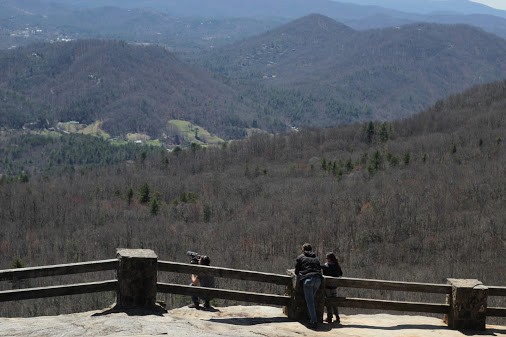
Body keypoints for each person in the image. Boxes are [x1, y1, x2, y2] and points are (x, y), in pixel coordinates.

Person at [295, 243, 323, 330]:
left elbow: (296, 271)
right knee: (312, 300)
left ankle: (313, 321)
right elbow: (319, 269)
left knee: (310, 301)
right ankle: (310, 317)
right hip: (318, 280)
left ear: (303, 249)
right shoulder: (316, 258)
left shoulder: (300, 257)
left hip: (308, 280)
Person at [321, 252, 343, 323]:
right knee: (334, 302)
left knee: (328, 303)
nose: (326, 259)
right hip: (334, 287)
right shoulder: (337, 266)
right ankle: (337, 316)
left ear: (329, 259)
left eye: (327, 258)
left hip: (327, 287)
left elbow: (323, 273)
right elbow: (341, 274)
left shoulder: (326, 266)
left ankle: (329, 317)